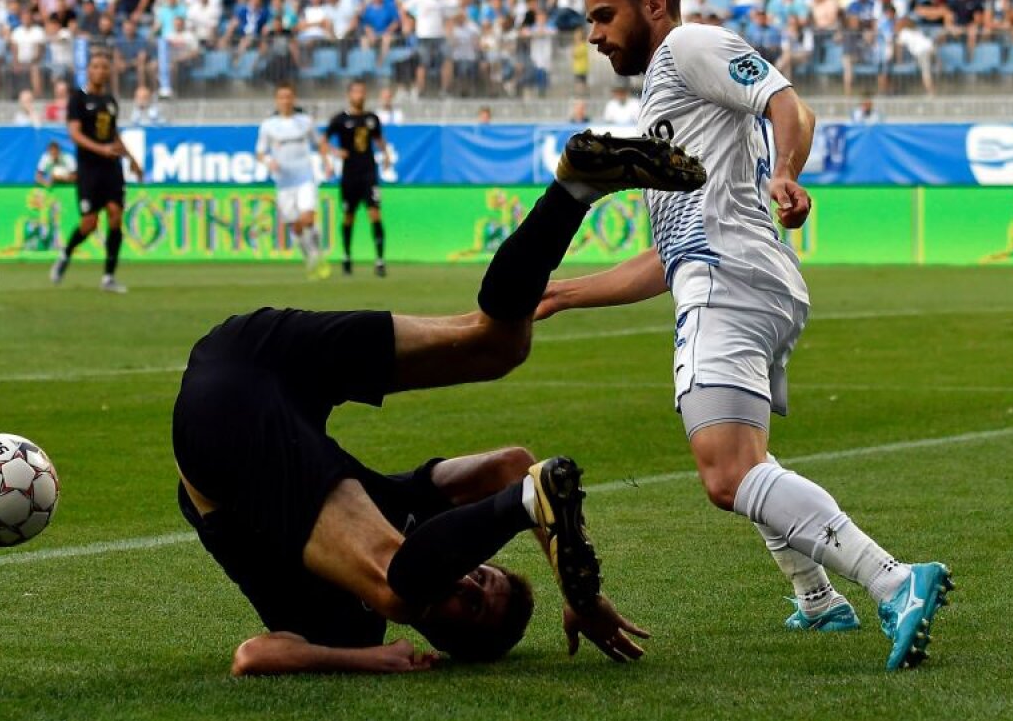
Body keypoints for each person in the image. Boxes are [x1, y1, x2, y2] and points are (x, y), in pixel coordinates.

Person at [538, 0, 952, 671]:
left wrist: (787, 171)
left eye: (604, 16)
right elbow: (670, 253)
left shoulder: (689, 46)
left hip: (728, 281)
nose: (595, 35)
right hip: (732, 273)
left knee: (725, 474)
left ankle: (895, 580)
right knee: (747, 458)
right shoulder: (667, 98)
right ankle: (818, 598)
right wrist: (563, 294)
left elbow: (789, 104)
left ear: (654, 6)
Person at [175, 132, 707, 673]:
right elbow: (511, 465)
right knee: (498, 344)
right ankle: (575, 188)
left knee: (396, 587)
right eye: (485, 572)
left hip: (214, 426)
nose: (470, 579)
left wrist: (369, 659)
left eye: (472, 602)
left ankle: (526, 503)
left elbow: (254, 655)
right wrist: (578, 591)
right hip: (258, 352)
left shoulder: (350, 625)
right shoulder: (415, 521)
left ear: (448, 641)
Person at [50, 50, 143, 293]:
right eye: (96, 66)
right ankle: (66, 253)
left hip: (111, 167)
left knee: (115, 214)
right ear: (89, 71)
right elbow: (75, 134)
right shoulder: (77, 100)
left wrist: (132, 158)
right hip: (89, 169)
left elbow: (114, 133)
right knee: (89, 224)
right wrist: (101, 149)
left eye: (104, 67)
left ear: (109, 71)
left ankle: (108, 277)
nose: (100, 70)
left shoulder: (111, 101)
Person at [256, 82, 329, 279]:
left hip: (305, 176)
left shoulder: (305, 121)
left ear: (293, 98)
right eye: (282, 97)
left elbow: (320, 142)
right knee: (295, 225)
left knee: (308, 217)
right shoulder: (268, 126)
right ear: (277, 100)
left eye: (289, 96)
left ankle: (316, 254)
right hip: (284, 182)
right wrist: (269, 162)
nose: (285, 100)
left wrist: (326, 163)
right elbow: (260, 152)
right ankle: (310, 256)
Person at [320, 80, 393, 277]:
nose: (359, 95)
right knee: (348, 217)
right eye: (356, 92)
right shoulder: (339, 119)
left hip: (369, 174)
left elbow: (378, 139)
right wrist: (335, 153)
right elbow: (323, 142)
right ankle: (346, 256)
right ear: (349, 95)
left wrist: (386, 154)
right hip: (349, 175)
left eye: (362, 91)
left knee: (375, 214)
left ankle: (379, 260)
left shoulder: (372, 118)